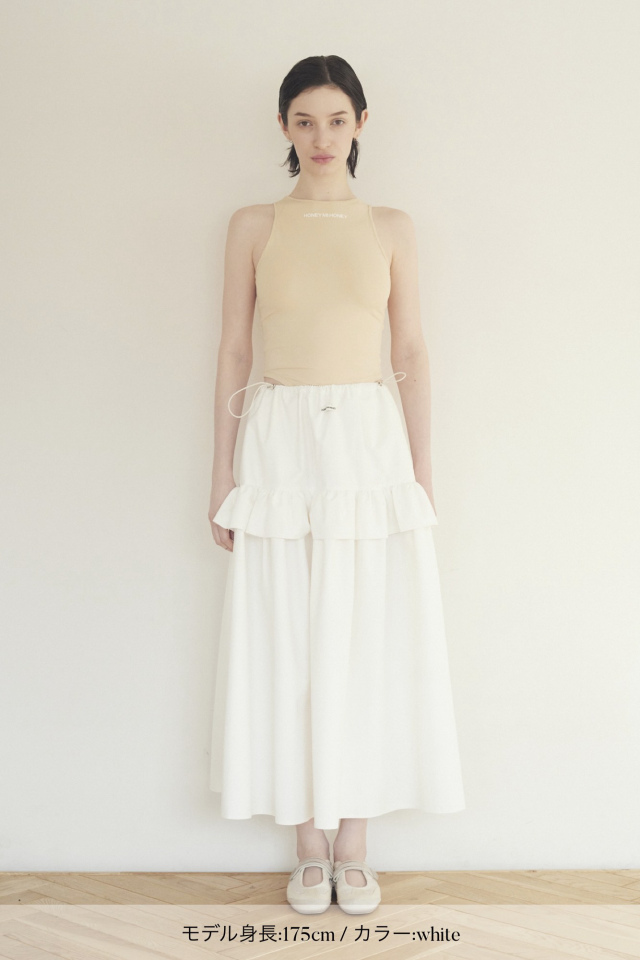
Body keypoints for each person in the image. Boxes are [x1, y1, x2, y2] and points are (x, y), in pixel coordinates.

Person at [208, 55, 465, 915]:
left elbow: (411, 350)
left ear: (361, 123)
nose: (322, 137)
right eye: (305, 121)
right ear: (284, 126)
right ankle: (306, 846)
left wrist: (421, 475)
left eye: (337, 119)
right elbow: (234, 350)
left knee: (363, 636)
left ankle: (353, 842)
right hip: (277, 435)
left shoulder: (391, 226)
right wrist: (221, 472)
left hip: (367, 442)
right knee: (284, 632)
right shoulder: (254, 224)